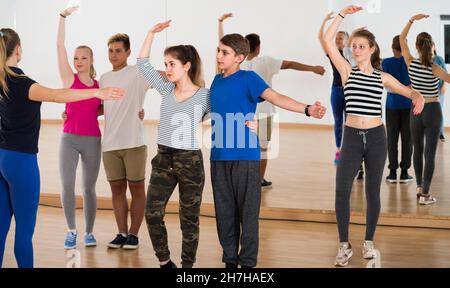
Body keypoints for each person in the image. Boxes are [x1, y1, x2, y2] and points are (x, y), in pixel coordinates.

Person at [0, 28, 123, 268]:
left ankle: (85, 231)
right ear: (18, 50)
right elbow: (58, 96)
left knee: (1, 227)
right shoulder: (23, 83)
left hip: (2, 158)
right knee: (24, 232)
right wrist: (97, 91)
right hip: (21, 162)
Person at [211, 32, 327, 268]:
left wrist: (307, 109)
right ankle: (230, 261)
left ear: (240, 57)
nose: (219, 56)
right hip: (218, 157)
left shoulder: (249, 78)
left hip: (245, 157)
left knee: (247, 215)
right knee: (224, 215)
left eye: (225, 52)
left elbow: (276, 98)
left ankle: (248, 263)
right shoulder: (216, 80)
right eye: (218, 50)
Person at [322, 6, 425, 267]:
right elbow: (327, 40)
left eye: (360, 46)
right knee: (341, 189)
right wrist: (342, 14)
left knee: (372, 192)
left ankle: (368, 241)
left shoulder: (383, 77)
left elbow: (407, 91)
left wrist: (418, 96)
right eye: (353, 46)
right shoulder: (346, 71)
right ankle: (344, 245)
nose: (355, 49)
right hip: (352, 136)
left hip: (377, 137)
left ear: (371, 49)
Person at [218, 13, 326, 189]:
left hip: (243, 113)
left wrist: (220, 23)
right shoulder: (267, 61)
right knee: (262, 149)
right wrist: (313, 68)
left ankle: (240, 180)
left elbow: (222, 43)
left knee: (241, 148)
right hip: (265, 111)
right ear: (258, 48)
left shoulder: (236, 64)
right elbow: (290, 64)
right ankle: (258, 180)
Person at [100, 33, 152, 250]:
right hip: (110, 144)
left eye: (118, 50)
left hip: (133, 142)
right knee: (117, 190)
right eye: (111, 50)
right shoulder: (103, 78)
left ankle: (134, 234)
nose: (114, 54)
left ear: (128, 52)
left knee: (137, 188)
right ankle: (121, 233)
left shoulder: (138, 73)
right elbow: (102, 107)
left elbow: (167, 78)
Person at [57, 6, 102, 249]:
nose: (78, 61)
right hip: (69, 139)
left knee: (88, 188)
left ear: (92, 60)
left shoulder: (99, 84)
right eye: (76, 58)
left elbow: (103, 109)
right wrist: (62, 18)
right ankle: (71, 230)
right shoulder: (69, 79)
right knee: (67, 185)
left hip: (93, 139)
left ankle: (89, 232)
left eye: (84, 57)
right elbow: (60, 47)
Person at [400, 14, 450, 205]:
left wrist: (411, 20)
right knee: (430, 154)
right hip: (433, 110)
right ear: (432, 46)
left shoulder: (410, 62)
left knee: (417, 150)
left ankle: (419, 187)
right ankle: (425, 195)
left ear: (417, 46)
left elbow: (401, 39)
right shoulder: (434, 67)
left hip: (416, 112)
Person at [382, 35, 414, 184]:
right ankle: (405, 173)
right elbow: (414, 84)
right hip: (408, 105)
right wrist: (406, 88)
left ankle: (392, 173)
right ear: (405, 46)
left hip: (391, 105)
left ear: (392, 47)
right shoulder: (411, 63)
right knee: (408, 140)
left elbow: (386, 85)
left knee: (392, 139)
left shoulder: (386, 63)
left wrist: (395, 88)